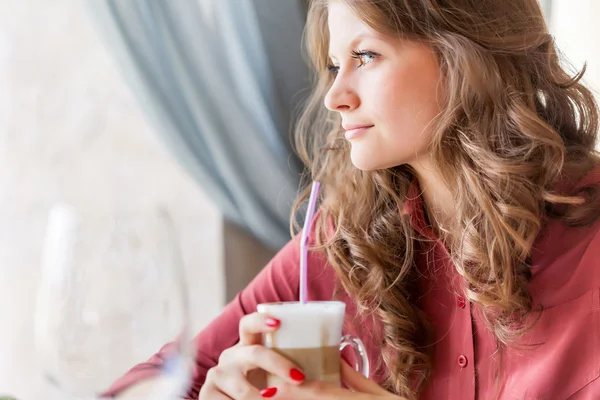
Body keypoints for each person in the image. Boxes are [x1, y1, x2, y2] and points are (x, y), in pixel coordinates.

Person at [103, 0, 600, 399]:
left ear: (465, 54)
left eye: (365, 57)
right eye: (335, 64)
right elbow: (147, 384)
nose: (334, 95)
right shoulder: (342, 242)